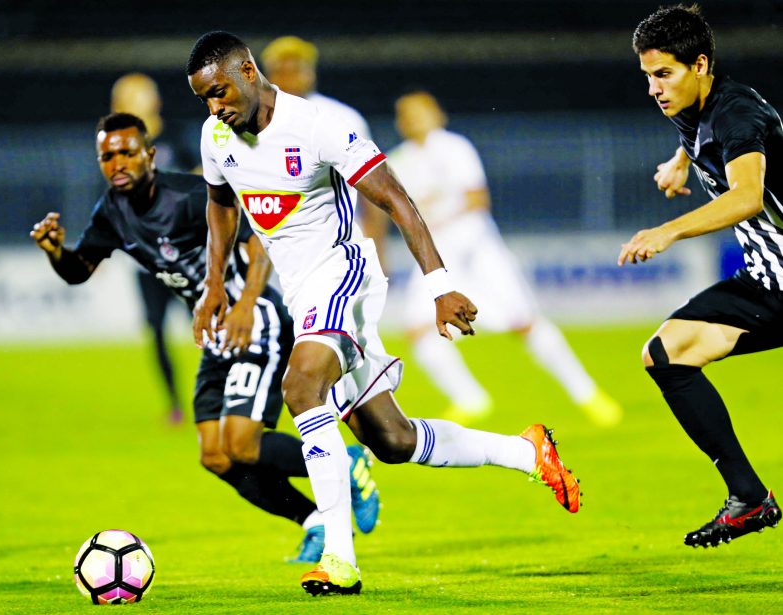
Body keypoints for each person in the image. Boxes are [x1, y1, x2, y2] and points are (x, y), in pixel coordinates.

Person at [187, 31, 582, 596]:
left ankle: (339, 557)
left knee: (301, 387)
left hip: (345, 273)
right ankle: (525, 451)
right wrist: (213, 286)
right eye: (204, 98)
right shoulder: (215, 135)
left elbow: (396, 199)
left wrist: (440, 286)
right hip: (305, 297)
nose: (214, 106)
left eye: (220, 91)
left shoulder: (319, 126)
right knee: (392, 441)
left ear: (248, 71)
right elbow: (221, 206)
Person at [30, 112, 379, 563]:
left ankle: (348, 463)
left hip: (256, 322)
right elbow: (80, 271)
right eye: (107, 156)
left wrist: (247, 305)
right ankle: (313, 521)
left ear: (149, 156)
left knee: (241, 443)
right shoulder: (111, 213)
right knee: (215, 455)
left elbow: (257, 243)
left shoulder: (188, 197)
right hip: (215, 335)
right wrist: (57, 251)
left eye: (126, 153)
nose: (117, 163)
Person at [619, 4, 782, 548]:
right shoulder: (692, 106)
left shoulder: (737, 113)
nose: (654, 90)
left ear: (701, 65)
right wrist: (681, 162)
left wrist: (670, 231)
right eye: (647, 76)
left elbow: (747, 195)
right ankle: (749, 499)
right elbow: (699, 135)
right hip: (770, 283)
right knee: (667, 353)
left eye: (663, 74)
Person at [387, 91, 623, 428]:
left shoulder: (455, 147)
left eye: (419, 111)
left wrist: (436, 216)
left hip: (477, 248)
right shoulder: (399, 160)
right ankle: (470, 400)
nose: (413, 119)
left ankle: (588, 394)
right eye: (406, 114)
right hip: (435, 253)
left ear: (437, 114)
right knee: (416, 328)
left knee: (523, 321)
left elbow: (477, 200)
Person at [259, 35, 390, 259]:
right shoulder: (250, 122)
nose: (288, 78)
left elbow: (374, 189)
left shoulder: (341, 117)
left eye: (295, 69)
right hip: (274, 249)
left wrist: (379, 248)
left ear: (310, 73)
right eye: (280, 70)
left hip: (338, 245)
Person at [111, 73, 184, 424]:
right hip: (146, 261)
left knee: (212, 329)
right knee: (156, 329)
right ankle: (174, 404)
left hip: (187, 255)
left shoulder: (174, 136)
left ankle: (224, 394)